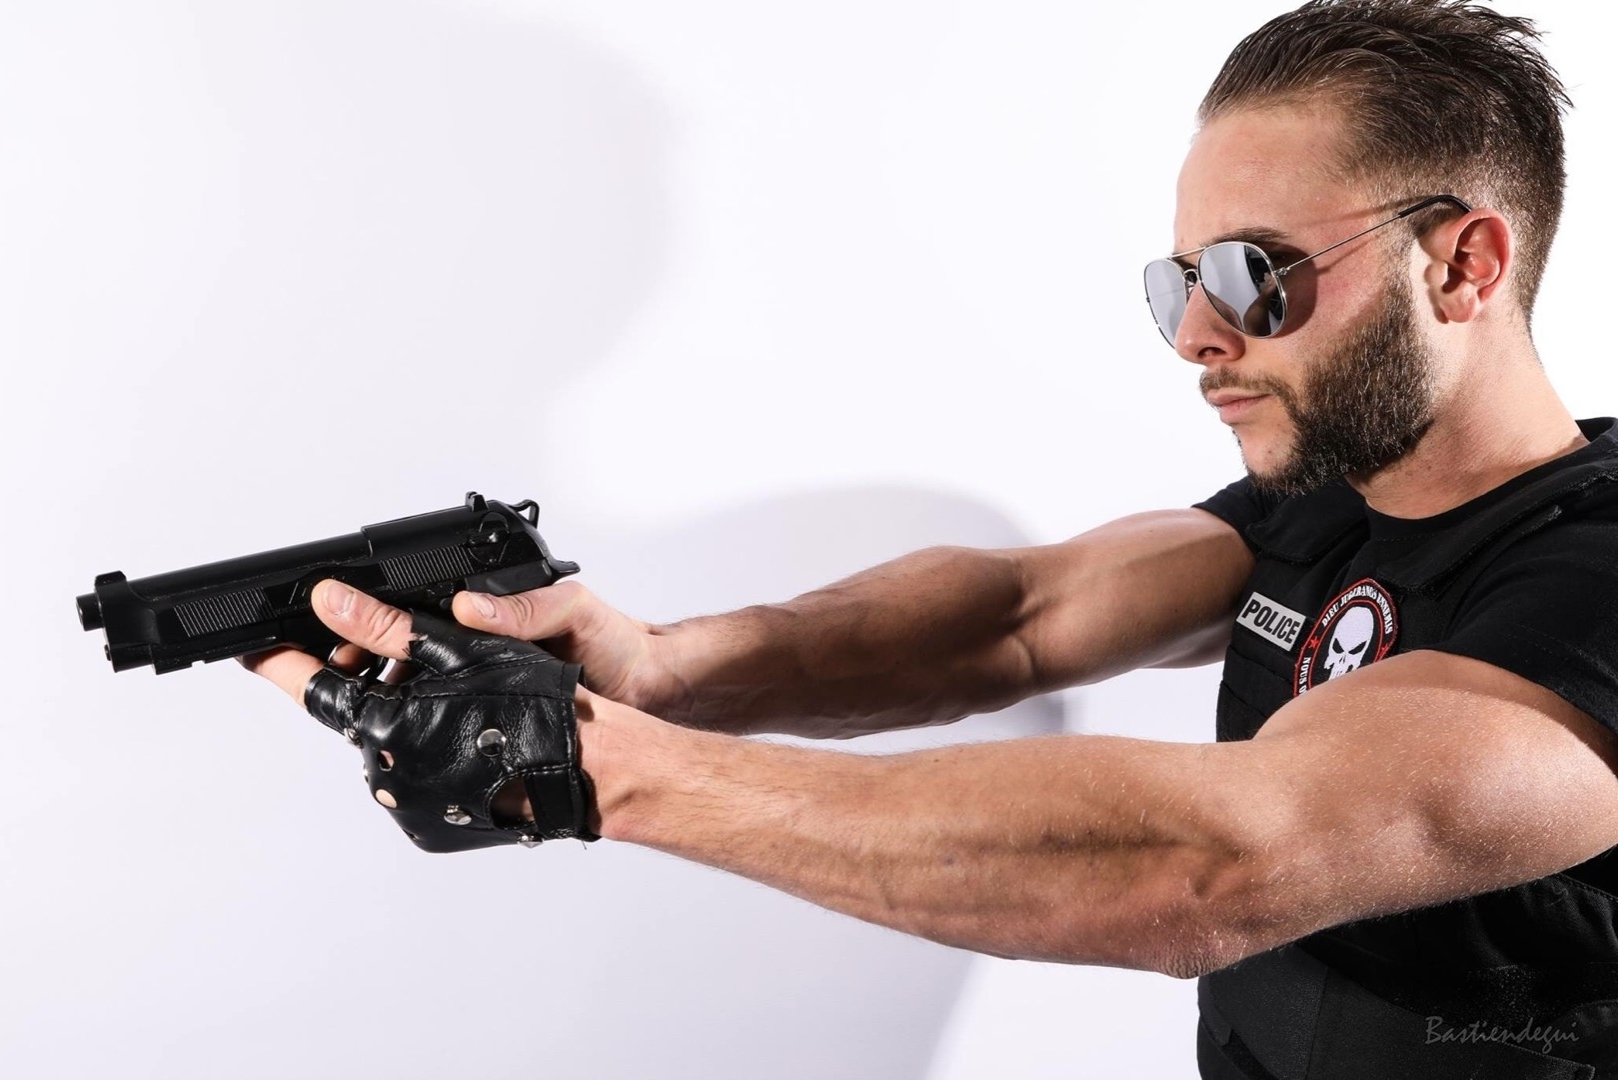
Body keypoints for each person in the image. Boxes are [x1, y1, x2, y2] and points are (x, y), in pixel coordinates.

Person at [245, 1, 1618, 1076]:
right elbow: (1019, 616)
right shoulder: (1334, 490)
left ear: (1463, 264)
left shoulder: (1594, 576)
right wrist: (666, 666)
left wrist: (598, 768)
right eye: (1179, 283)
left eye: (1253, 275)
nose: (1199, 336)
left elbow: (1214, 862)